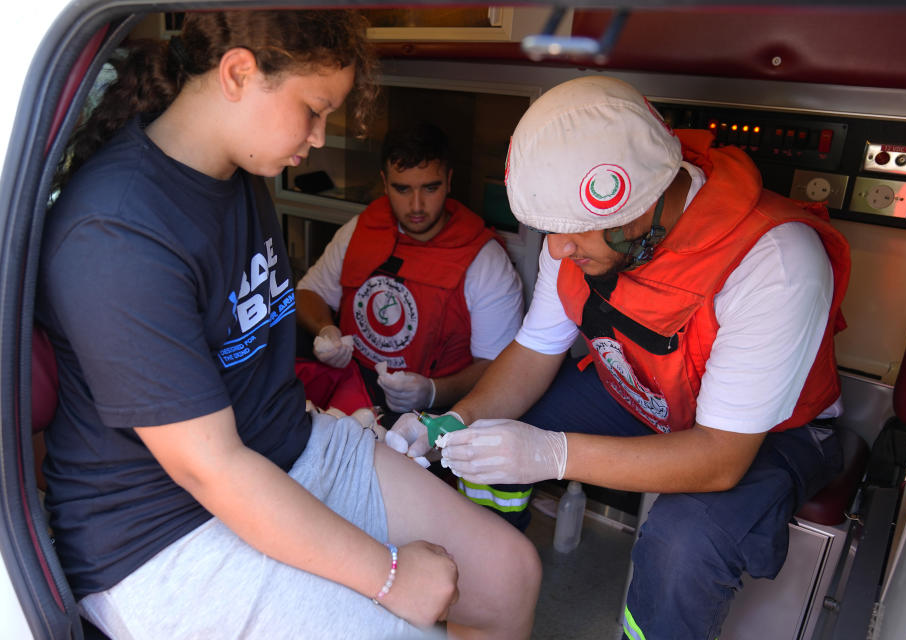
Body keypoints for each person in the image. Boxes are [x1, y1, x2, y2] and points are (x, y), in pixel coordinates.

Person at [36, 11, 539, 640]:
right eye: (313, 110)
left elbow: (247, 350)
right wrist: (389, 576)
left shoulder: (242, 175)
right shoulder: (117, 231)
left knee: (510, 574)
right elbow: (208, 467)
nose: (321, 139)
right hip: (161, 528)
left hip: (284, 447)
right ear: (239, 73)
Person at [387, 76, 850, 639]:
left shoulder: (774, 261)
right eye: (549, 231)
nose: (556, 250)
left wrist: (551, 455)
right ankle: (484, 592)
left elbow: (719, 457)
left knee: (685, 542)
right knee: (492, 430)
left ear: (647, 201)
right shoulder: (577, 230)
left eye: (573, 232)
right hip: (646, 393)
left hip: (772, 434)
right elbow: (535, 351)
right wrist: (454, 421)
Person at [294, 122, 523, 429]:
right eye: (402, 189)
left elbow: (499, 368)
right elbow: (309, 292)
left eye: (430, 187)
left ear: (449, 181)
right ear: (384, 182)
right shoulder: (363, 228)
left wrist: (432, 391)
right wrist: (325, 330)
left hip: (431, 412)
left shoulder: (484, 260)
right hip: (350, 384)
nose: (417, 206)